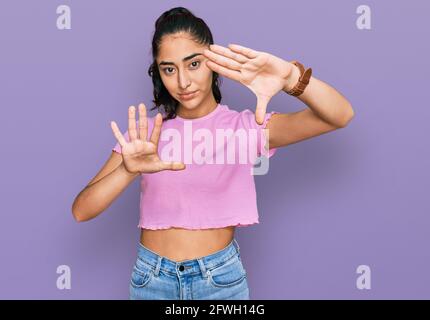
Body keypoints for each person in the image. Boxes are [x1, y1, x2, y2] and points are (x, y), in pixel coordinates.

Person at [71, 6, 354, 300]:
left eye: (193, 64)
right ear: (159, 73)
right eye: (169, 69)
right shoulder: (144, 137)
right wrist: (127, 170)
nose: (182, 82)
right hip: (151, 281)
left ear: (213, 61)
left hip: (219, 283)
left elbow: (339, 115)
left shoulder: (245, 128)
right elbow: (81, 211)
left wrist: (291, 77)